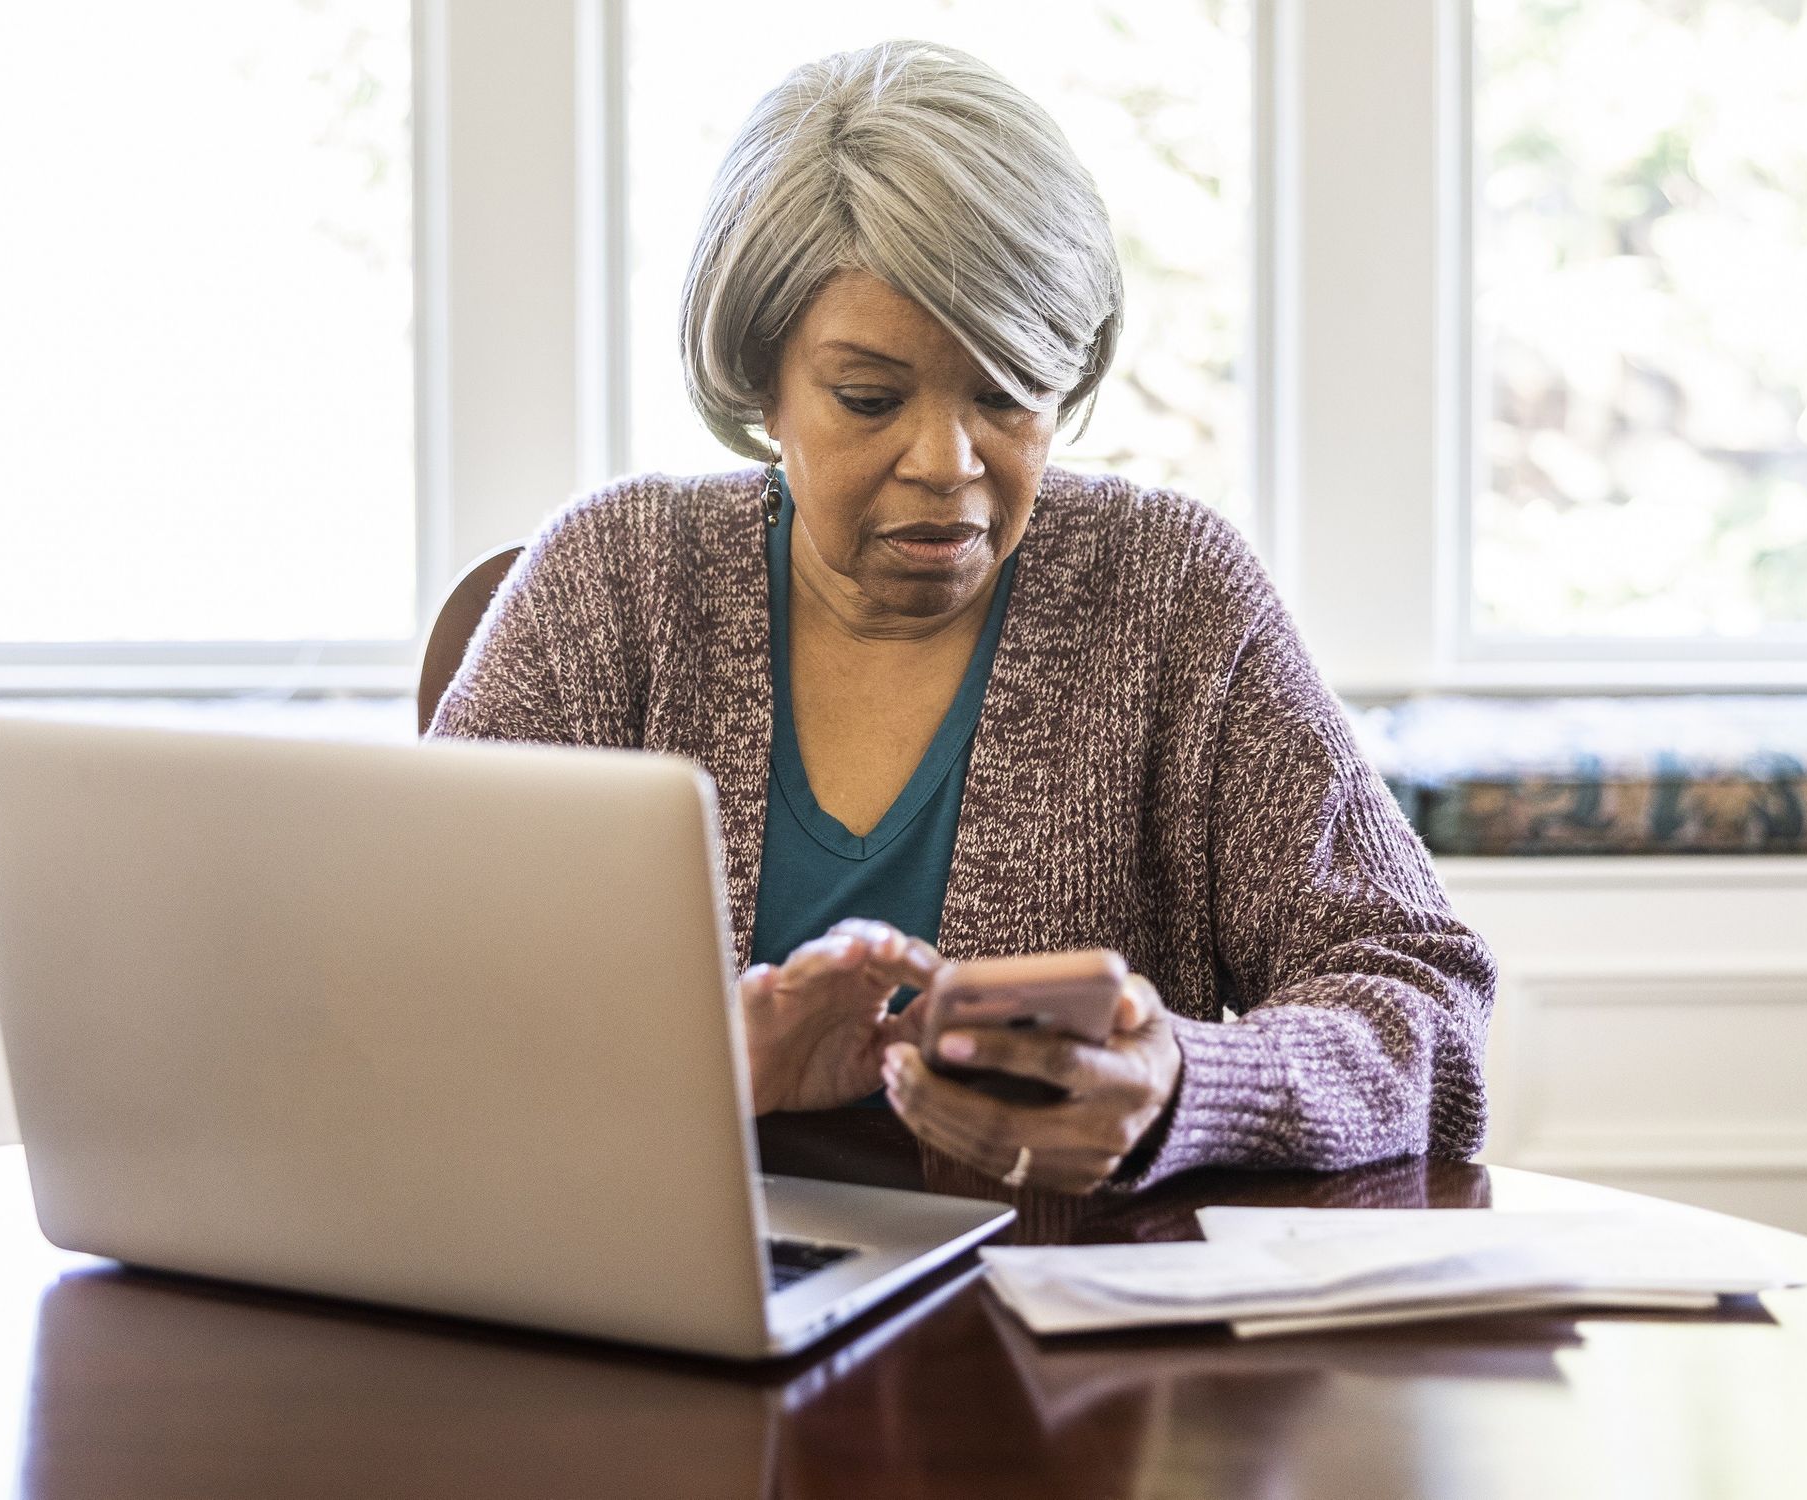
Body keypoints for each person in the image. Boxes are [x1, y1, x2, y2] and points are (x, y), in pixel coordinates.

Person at [425, 38, 1495, 1194]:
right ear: (762, 381)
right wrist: (686, 1074)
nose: (945, 464)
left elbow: (1419, 999)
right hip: (652, 1315)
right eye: (869, 398)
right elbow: (408, 989)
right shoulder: (613, 583)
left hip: (1064, 1338)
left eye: (1005, 391)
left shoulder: (1171, 594)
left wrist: (1185, 1085)